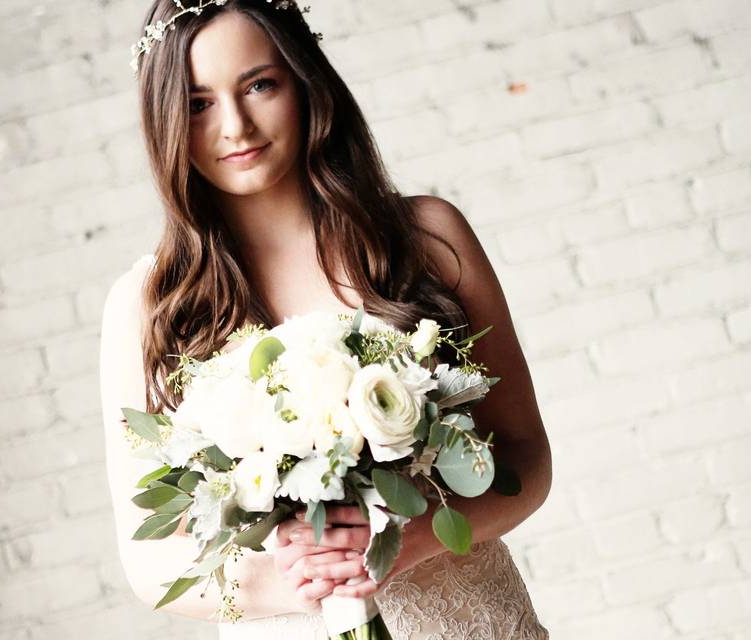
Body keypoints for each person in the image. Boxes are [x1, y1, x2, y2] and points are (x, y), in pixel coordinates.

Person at [99, 1, 553, 637]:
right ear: (166, 119)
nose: (234, 126)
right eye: (199, 103)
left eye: (259, 85)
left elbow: (527, 457)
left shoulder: (426, 236)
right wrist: (301, 574)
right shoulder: (149, 303)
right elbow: (150, 561)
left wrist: (414, 534)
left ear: (303, 82)